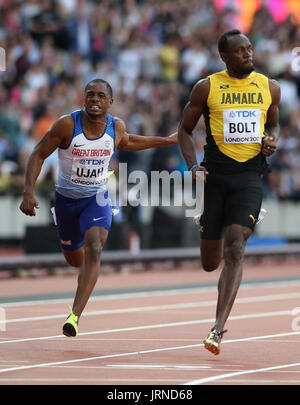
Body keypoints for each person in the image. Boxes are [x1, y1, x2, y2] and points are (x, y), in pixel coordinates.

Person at [19, 78, 177, 337]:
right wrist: (28, 192)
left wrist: (166, 141)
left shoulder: (116, 126)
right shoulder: (67, 124)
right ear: (83, 98)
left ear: (110, 102)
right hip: (66, 200)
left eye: (101, 96)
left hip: (97, 197)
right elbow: (38, 153)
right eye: (90, 94)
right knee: (74, 259)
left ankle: (74, 316)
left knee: (95, 245)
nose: (95, 99)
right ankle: (79, 259)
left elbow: (128, 141)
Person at [178, 30, 280, 355]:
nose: (248, 54)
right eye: (240, 51)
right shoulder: (206, 87)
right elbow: (184, 130)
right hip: (214, 179)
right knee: (210, 263)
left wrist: (271, 139)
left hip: (249, 178)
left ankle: (217, 328)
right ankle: (210, 226)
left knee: (236, 247)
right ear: (225, 57)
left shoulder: (269, 87)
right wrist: (193, 166)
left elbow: (274, 124)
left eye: (250, 48)